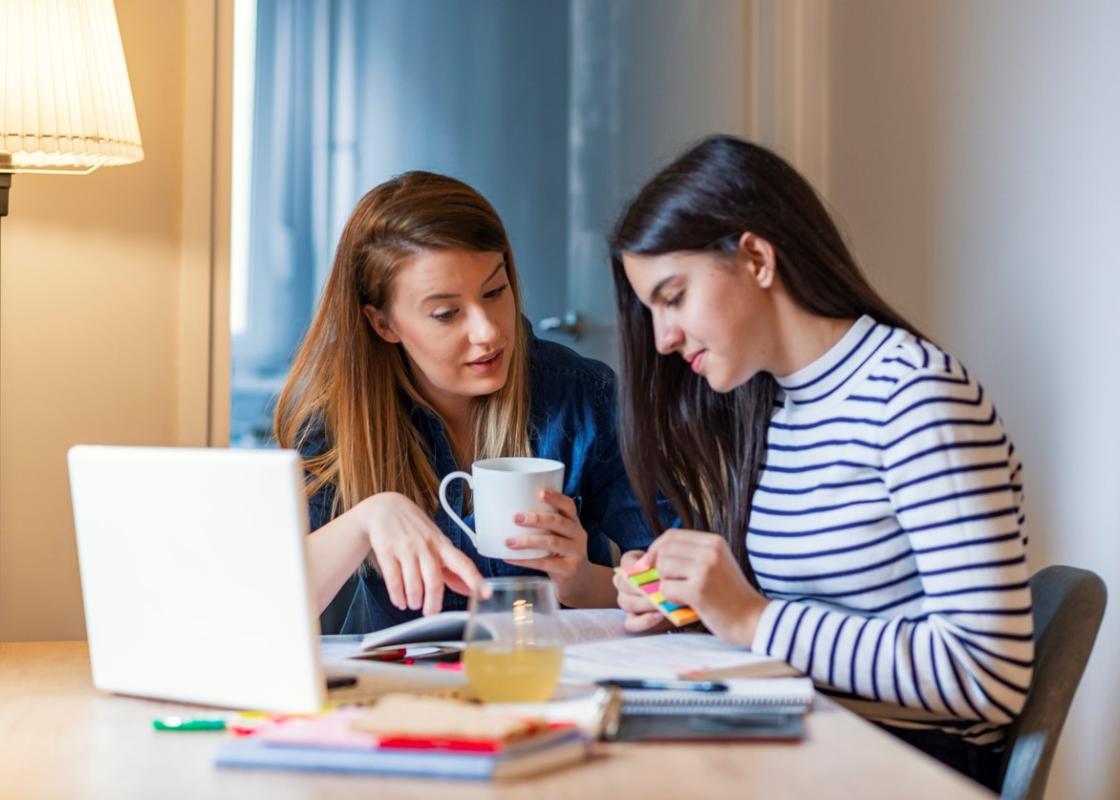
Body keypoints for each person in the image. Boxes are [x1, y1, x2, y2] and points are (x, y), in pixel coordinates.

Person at [609, 135, 1031, 791]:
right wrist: (687, 601)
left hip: (904, 764)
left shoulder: (915, 396)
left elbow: (988, 675)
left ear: (755, 258)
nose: (663, 339)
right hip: (807, 736)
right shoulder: (774, 405)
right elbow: (812, 614)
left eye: (673, 297)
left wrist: (751, 618)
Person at [274, 170, 654, 635]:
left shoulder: (585, 396)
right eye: (446, 313)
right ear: (382, 324)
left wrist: (582, 581)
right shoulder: (337, 422)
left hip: (551, 670)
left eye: (495, 292)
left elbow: (672, 592)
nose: (488, 331)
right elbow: (263, 610)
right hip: (396, 677)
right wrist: (367, 519)